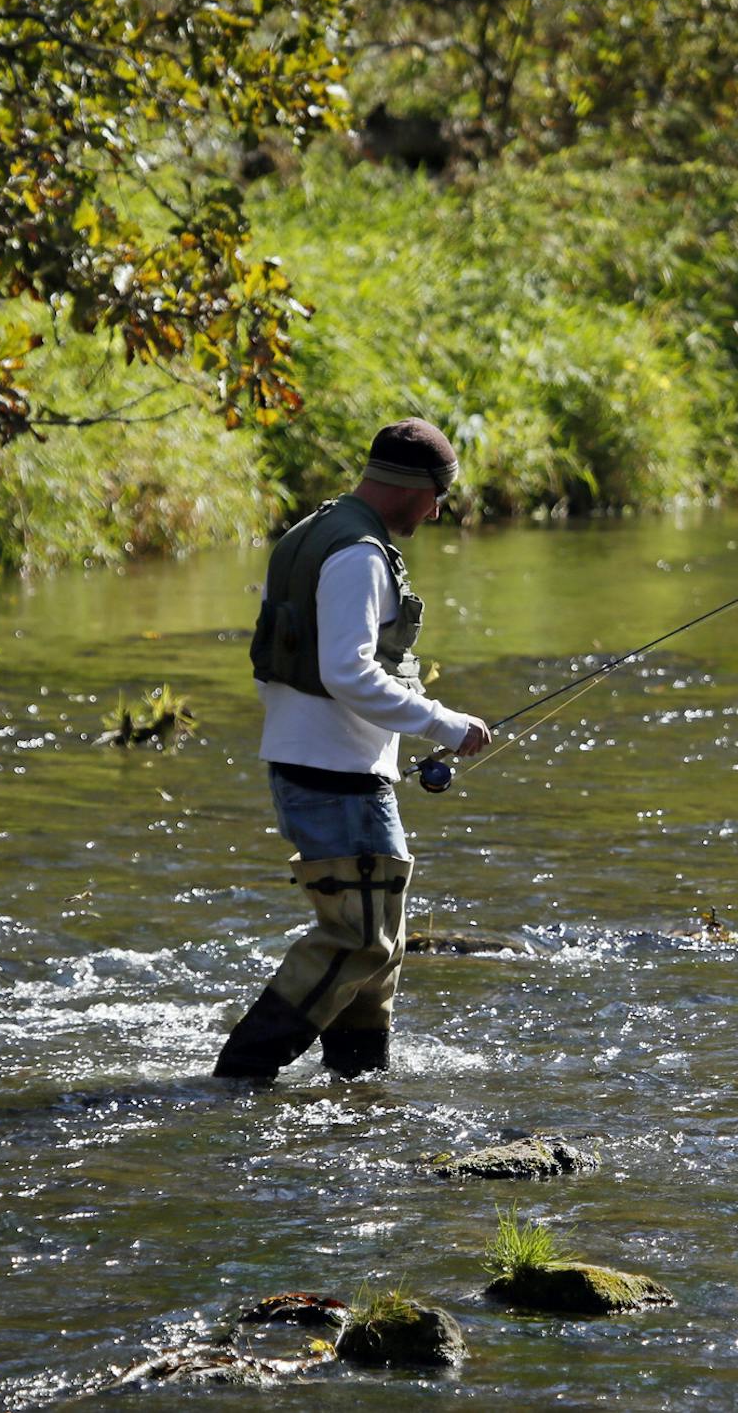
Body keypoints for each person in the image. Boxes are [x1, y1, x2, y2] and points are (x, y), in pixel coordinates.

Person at [213, 418, 492, 1081]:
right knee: (358, 938)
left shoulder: (314, 531)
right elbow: (348, 672)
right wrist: (444, 725)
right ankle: (242, 1073)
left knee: (380, 941)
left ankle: (358, 1082)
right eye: (438, 496)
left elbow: (283, 662)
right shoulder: (358, 555)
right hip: (334, 776)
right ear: (413, 489)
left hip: (320, 764)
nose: (438, 510)